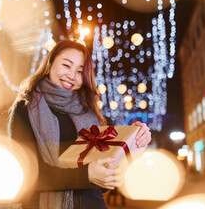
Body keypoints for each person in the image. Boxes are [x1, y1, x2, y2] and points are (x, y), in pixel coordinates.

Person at [8, 39, 151, 209]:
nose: (72, 76)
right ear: (49, 64)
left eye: (79, 71)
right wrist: (86, 175)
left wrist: (135, 139)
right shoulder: (26, 110)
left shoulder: (90, 113)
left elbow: (103, 185)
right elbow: (24, 174)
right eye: (66, 66)